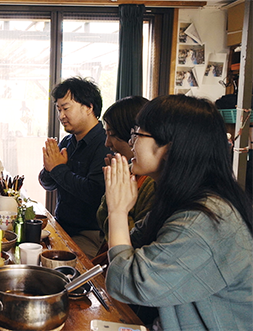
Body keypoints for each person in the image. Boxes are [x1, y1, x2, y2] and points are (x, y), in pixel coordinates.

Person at [104, 95, 253, 330]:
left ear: (170, 146)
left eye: (138, 134)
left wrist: (118, 211)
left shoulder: (204, 220)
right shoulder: (183, 199)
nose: (131, 142)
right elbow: (132, 244)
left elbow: (127, 283)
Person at [38, 77, 111, 258]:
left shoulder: (104, 143)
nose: (61, 116)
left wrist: (57, 169)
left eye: (66, 108)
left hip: (89, 234)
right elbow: (48, 184)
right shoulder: (68, 142)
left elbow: (94, 193)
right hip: (62, 226)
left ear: (88, 107)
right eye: (59, 109)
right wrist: (49, 170)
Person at [96, 96, 154, 240]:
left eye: (113, 135)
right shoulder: (130, 170)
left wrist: (119, 207)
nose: (107, 143)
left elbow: (133, 241)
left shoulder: (153, 183)